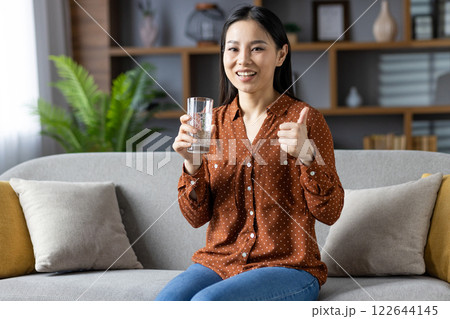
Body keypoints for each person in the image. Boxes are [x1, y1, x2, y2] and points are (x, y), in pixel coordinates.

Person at [156, 5, 344, 301]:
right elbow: (196, 218)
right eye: (233, 49)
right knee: (165, 304)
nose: (243, 60)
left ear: (281, 54)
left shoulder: (304, 119)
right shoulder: (212, 123)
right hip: (219, 262)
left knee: (207, 304)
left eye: (257, 48)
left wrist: (308, 157)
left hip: (289, 267)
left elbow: (331, 213)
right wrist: (192, 165)